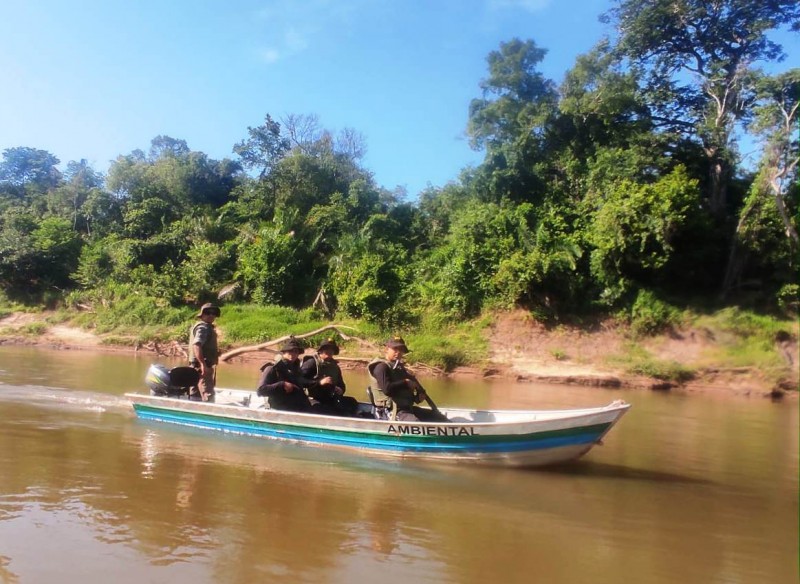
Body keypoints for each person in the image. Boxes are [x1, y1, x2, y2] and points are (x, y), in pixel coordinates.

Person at [367, 336, 449, 422]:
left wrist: (418, 397)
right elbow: (387, 389)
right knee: (416, 423)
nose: (398, 353)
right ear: (386, 349)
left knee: (439, 417)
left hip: (406, 410)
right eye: (395, 349)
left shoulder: (399, 369)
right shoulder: (381, 367)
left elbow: (405, 393)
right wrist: (405, 383)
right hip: (390, 412)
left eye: (401, 350)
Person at [256, 337, 318, 412]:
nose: (293, 354)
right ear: (284, 352)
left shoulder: (296, 369)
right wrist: (282, 385)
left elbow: (302, 382)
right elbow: (261, 390)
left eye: (295, 352)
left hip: (298, 409)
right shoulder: (272, 368)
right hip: (281, 410)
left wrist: (318, 382)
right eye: (290, 351)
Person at [300, 338, 359, 416]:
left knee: (352, 402)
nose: (329, 352)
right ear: (320, 351)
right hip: (313, 399)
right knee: (325, 410)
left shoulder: (335, 367)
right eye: (326, 349)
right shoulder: (311, 363)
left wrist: (341, 389)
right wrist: (319, 382)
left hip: (329, 398)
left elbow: (341, 384)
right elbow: (300, 380)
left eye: (331, 350)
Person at [189, 303, 221, 402]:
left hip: (198, 366)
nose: (211, 315)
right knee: (208, 394)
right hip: (202, 366)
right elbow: (196, 345)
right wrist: (203, 364)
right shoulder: (203, 327)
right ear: (202, 315)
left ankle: (193, 411)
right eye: (208, 313)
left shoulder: (206, 327)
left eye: (214, 313)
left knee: (195, 393)